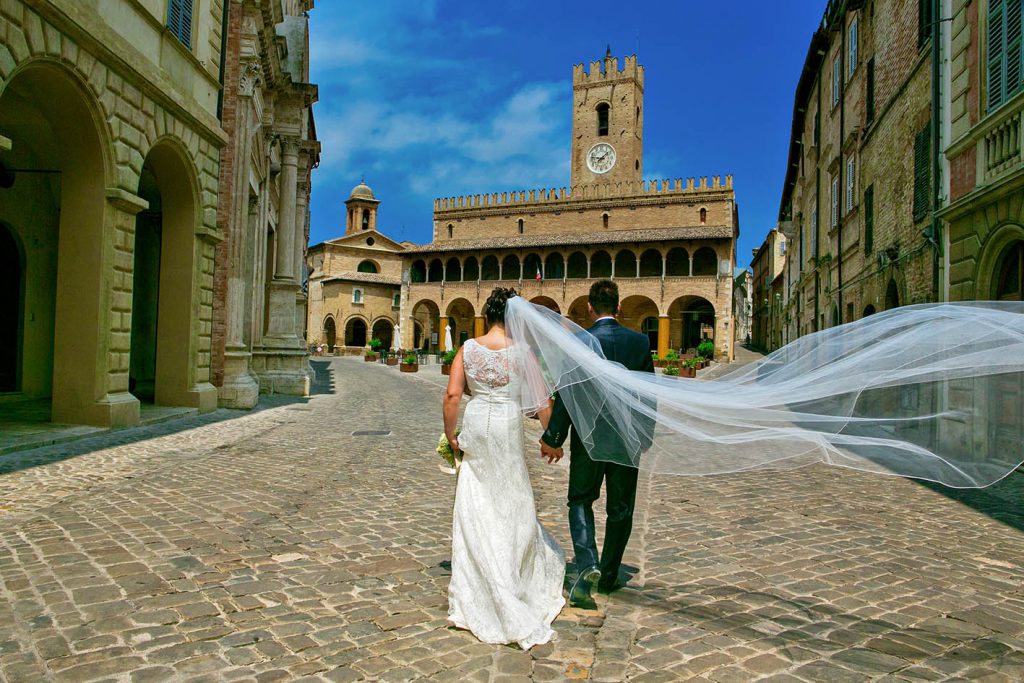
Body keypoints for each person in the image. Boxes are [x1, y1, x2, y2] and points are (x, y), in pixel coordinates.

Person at [442, 287, 565, 650]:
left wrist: (451, 436)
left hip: (478, 422)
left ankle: (481, 577)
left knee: (476, 496)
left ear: (487, 312)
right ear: (514, 316)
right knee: (512, 494)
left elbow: (452, 396)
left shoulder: (467, 349)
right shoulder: (524, 353)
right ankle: (512, 575)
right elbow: (543, 401)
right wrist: (552, 437)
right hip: (508, 427)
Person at [539, 280, 654, 606]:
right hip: (626, 437)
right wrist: (645, 434)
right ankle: (609, 573)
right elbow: (648, 393)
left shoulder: (579, 343)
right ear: (618, 307)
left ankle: (587, 560)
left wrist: (553, 437)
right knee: (621, 507)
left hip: (588, 438)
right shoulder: (640, 343)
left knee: (580, 498)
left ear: (590, 308)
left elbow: (567, 394)